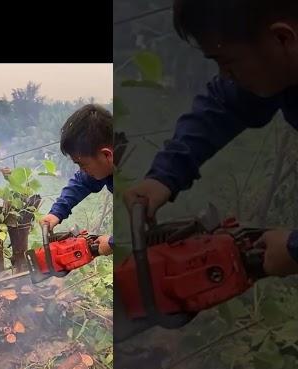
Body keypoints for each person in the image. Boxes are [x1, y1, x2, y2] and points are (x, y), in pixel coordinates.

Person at [123, 0, 298, 276]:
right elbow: (225, 104)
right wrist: (164, 175)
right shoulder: (278, 62)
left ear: (282, 38)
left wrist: (294, 249)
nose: (226, 75)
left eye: (228, 63)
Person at [40, 104, 114, 255]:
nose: (82, 171)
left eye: (83, 164)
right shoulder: (104, 166)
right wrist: (56, 212)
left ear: (106, 155)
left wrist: (113, 242)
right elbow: (82, 182)